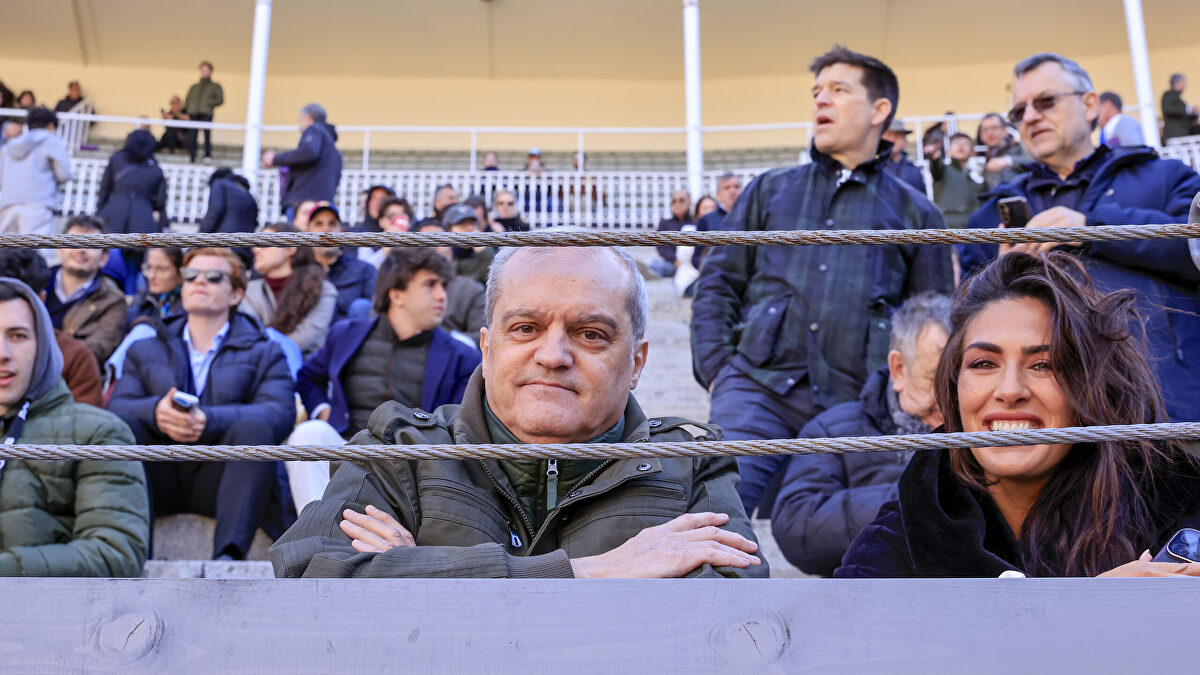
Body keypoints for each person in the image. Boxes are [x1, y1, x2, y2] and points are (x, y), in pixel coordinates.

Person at [271, 242, 765, 579]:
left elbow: (732, 616)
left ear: (636, 362)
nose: (553, 355)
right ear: (487, 348)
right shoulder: (398, 449)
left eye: (591, 334)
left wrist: (422, 569)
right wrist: (589, 572)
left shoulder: (694, 462)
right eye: (526, 328)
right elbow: (312, 574)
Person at [691, 45, 953, 517]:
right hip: (756, 389)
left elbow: (932, 319)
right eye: (816, 92)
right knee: (712, 524)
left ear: (880, 110)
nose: (820, 101)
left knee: (859, 544)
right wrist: (717, 372)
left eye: (838, 90)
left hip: (859, 407)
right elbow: (718, 283)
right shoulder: (769, 189)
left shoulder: (918, 212)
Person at [839, 252, 1200, 578]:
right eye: (983, 364)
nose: (1010, 390)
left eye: (1043, 365)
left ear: (1089, 385)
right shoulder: (893, 546)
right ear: (954, 387)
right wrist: (1093, 611)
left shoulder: (1178, 506)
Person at [957, 52, 1200, 423]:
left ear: (1089, 104)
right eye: (1018, 112)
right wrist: (1001, 274)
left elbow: (1193, 250)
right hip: (1049, 423)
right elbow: (963, 320)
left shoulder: (1166, 177)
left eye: (1045, 101)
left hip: (1165, 409)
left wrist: (1093, 227)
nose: (1031, 117)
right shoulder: (990, 215)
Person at [107, 248, 295, 561]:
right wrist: (157, 412)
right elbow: (116, 406)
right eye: (191, 276)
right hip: (158, 473)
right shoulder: (144, 346)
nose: (199, 283)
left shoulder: (266, 351)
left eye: (213, 277)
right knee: (124, 426)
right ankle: (133, 557)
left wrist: (208, 419)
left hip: (223, 478)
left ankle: (228, 560)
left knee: (254, 427)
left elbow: (279, 413)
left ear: (235, 294)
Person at [771, 292, 951, 576]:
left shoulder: (979, 426)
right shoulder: (832, 430)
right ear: (899, 369)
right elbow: (796, 527)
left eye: (956, 378)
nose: (947, 397)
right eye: (934, 379)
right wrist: (916, 497)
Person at [286, 247, 480, 508]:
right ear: (397, 294)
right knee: (309, 433)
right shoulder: (345, 334)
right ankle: (314, 532)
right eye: (430, 285)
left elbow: (459, 425)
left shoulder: (462, 356)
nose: (442, 296)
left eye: (443, 286)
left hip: (412, 463)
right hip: (346, 445)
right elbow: (308, 377)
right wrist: (323, 410)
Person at [0, 277, 149, 577]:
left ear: (43, 344)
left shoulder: (96, 433)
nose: (2, 352)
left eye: (17, 336)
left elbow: (116, 554)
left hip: (50, 619)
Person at [0, 249, 104, 407]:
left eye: (17, 336)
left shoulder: (76, 358)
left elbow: (84, 424)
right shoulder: (78, 356)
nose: (3, 354)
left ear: (41, 299)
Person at [242, 223, 338, 357]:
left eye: (264, 243)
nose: (255, 250)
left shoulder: (323, 289)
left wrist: (273, 355)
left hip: (307, 369)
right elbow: (250, 335)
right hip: (261, 366)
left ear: (291, 248)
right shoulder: (249, 291)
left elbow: (308, 334)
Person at [43, 216, 126, 365]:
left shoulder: (113, 302)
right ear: (61, 249)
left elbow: (98, 349)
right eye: (74, 242)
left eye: (90, 245)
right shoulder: (36, 283)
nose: (81, 250)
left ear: (104, 258)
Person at [96, 129, 167, 294]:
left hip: (112, 217)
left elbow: (104, 191)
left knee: (107, 266)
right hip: (142, 221)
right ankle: (129, 305)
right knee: (133, 270)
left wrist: (99, 215)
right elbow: (161, 201)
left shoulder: (116, 160)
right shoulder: (155, 168)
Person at [0, 106, 71, 237]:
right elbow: (63, 175)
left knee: (5, 252)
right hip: (38, 204)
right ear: (50, 125)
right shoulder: (52, 142)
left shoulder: (9, 145)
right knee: (36, 251)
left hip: (7, 204)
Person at [263, 104, 342, 218]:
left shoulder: (314, 129)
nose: (299, 125)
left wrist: (275, 159)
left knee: (299, 235)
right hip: (323, 202)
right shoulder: (333, 150)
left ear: (307, 117)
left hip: (304, 204)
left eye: (299, 120)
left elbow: (308, 152)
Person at [299, 204, 376, 322]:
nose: (326, 230)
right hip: (309, 336)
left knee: (362, 306)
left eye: (332, 224)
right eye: (319, 224)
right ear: (307, 233)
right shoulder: (298, 272)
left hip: (351, 336)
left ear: (342, 233)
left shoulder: (364, 270)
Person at [414, 219, 485, 344]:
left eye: (440, 240)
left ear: (451, 250)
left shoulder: (471, 290)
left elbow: (483, 338)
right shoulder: (400, 287)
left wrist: (443, 338)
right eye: (425, 241)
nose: (433, 246)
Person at [927, 132, 983, 228]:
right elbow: (936, 167)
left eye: (965, 144)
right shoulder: (943, 170)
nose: (960, 147)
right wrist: (935, 158)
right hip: (946, 228)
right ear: (948, 151)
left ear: (972, 152)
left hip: (971, 230)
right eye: (957, 143)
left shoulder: (976, 175)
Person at [128, 247, 184, 325]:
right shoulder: (142, 300)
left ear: (180, 273)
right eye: (149, 267)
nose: (151, 276)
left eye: (161, 269)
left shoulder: (190, 306)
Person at [978, 112, 1031, 191]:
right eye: (985, 130)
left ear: (1005, 130)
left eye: (994, 128)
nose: (990, 133)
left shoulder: (1021, 148)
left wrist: (1007, 161)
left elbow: (1038, 161)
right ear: (981, 136)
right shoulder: (986, 163)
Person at [183, 61, 223, 164]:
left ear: (210, 71)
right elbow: (188, 100)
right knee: (192, 136)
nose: (204, 72)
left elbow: (220, 100)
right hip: (194, 113)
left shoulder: (215, 86)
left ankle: (207, 156)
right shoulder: (194, 87)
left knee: (207, 135)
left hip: (206, 113)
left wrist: (208, 103)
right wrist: (189, 110)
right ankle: (192, 156)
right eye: (202, 69)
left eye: (206, 70)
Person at [444, 203, 494, 286]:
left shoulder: (484, 252)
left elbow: (493, 284)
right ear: (449, 230)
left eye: (472, 223)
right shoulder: (443, 253)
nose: (470, 228)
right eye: (462, 224)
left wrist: (484, 253)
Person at [359, 196, 416, 268]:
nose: (397, 221)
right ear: (381, 221)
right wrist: (387, 248)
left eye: (402, 217)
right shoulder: (368, 245)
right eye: (392, 216)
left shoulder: (416, 247)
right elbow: (365, 272)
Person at [650, 189, 694, 278]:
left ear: (689, 202)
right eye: (674, 201)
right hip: (672, 264)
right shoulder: (665, 223)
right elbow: (661, 246)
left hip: (690, 263)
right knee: (658, 266)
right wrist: (675, 260)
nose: (677, 204)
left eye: (681, 200)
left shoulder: (695, 222)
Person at [881, 118, 927, 194]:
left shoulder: (913, 169)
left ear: (905, 141)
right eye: (888, 135)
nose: (892, 139)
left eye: (897, 135)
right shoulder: (873, 167)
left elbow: (922, 200)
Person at [1161, 73, 1197, 142]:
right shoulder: (1169, 95)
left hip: (1180, 135)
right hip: (1175, 136)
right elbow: (1169, 110)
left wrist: (1194, 114)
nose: (1185, 85)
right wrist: (1188, 109)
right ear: (1177, 83)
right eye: (1183, 82)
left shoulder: (1176, 97)